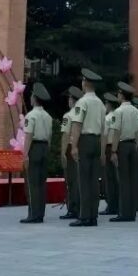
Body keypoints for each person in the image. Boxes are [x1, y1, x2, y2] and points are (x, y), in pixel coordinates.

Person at [69, 68, 107, 226]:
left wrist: (74, 145)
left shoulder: (82, 102)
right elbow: (104, 130)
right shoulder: (100, 104)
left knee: (84, 180)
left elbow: (77, 124)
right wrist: (103, 151)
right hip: (97, 141)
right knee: (94, 181)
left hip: (85, 140)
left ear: (85, 83)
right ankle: (93, 215)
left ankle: (84, 216)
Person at [19, 82, 52, 223]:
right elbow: (50, 136)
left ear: (34, 98)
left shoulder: (31, 116)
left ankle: (33, 214)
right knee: (41, 182)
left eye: (32, 95)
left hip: (34, 148)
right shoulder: (48, 117)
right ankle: (40, 213)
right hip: (45, 148)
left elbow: (29, 136)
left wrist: (25, 154)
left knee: (32, 183)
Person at [110, 82, 138, 222]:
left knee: (123, 180)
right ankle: (132, 212)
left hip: (122, 146)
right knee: (132, 180)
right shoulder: (136, 111)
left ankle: (123, 213)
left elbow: (116, 132)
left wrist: (113, 150)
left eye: (118, 93)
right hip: (133, 146)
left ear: (122, 95)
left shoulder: (118, 112)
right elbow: (137, 132)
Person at [60, 86, 82, 220]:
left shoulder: (68, 116)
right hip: (81, 147)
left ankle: (73, 208)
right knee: (80, 179)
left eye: (69, 98)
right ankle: (80, 206)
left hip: (70, 148)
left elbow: (65, 134)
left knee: (71, 180)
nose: (68, 100)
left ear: (72, 100)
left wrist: (62, 152)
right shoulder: (82, 114)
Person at [101, 92, 120, 216]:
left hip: (108, 148)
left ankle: (111, 205)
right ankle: (117, 204)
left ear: (108, 104)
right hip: (117, 147)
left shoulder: (107, 118)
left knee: (109, 178)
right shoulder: (118, 116)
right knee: (117, 178)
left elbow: (104, 136)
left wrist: (102, 152)